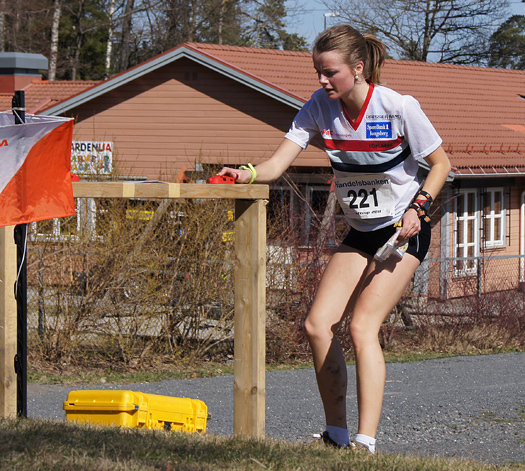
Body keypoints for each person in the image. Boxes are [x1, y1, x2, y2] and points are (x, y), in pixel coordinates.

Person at [219, 24, 451, 453]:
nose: (322, 80)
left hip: (402, 233)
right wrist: (246, 173)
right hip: (361, 232)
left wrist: (417, 209)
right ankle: (336, 435)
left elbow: (440, 164)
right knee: (316, 325)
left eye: (330, 72)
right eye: (317, 72)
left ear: (358, 69)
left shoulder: (397, 106)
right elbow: (277, 163)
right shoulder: (318, 108)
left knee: (363, 326)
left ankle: (366, 442)